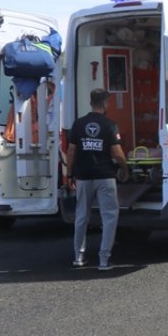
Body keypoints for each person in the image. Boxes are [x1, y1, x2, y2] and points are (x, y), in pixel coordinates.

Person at [65, 88, 131, 269]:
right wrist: (125, 168)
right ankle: (104, 259)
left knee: (81, 217)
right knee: (109, 217)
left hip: (83, 177)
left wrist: (69, 174)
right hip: (105, 176)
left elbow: (71, 151)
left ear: (91, 102)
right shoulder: (110, 125)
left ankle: (78, 257)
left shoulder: (78, 124)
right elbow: (117, 153)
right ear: (105, 103)